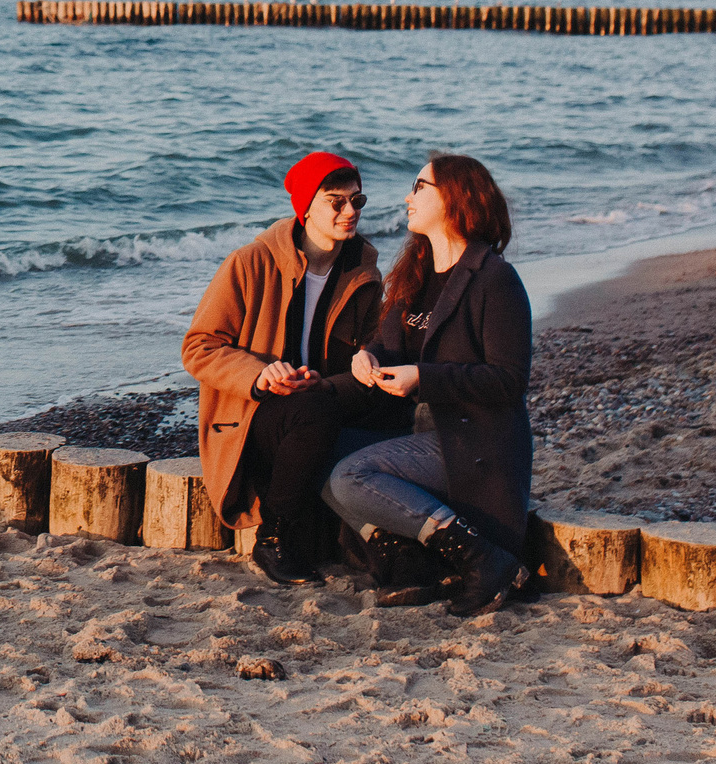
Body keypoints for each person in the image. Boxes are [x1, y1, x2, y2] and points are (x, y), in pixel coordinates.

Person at [321, 153, 533, 617]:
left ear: (456, 198)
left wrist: (424, 378)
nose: (407, 197)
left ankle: (482, 558)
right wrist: (367, 357)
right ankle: (412, 563)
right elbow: (388, 342)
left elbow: (509, 378)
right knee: (317, 449)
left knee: (350, 476)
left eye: (420, 187)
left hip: (474, 440)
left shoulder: (494, 278)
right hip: (418, 432)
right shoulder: (416, 271)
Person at [181, 151, 399, 586]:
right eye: (336, 201)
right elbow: (198, 347)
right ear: (305, 207)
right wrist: (259, 375)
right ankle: (274, 537)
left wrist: (332, 381)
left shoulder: (362, 271)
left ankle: (382, 528)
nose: (350, 212)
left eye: (357, 201)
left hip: (322, 401)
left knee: (397, 405)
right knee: (313, 411)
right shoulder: (251, 262)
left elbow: (368, 353)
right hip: (254, 414)